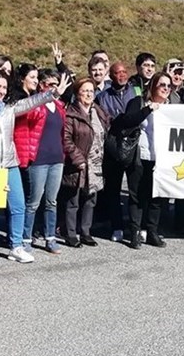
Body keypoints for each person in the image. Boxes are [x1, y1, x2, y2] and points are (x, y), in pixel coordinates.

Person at [0, 67, 67, 266]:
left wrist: (52, 94)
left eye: (5, 87)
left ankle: (16, 246)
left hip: (9, 162)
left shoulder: (9, 106)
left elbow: (30, 102)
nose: (1, 91)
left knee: (18, 205)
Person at [112, 72, 173, 249]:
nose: (166, 89)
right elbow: (128, 121)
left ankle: (152, 231)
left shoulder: (173, 106)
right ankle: (135, 232)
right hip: (140, 155)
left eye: (168, 86)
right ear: (153, 85)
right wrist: (148, 109)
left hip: (162, 158)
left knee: (156, 196)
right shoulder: (138, 102)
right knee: (136, 195)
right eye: (162, 85)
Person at [14, 69, 67, 254]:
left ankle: (50, 237)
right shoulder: (36, 105)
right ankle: (26, 238)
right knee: (34, 202)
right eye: (49, 84)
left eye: (55, 84)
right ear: (41, 85)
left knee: (51, 201)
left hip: (57, 158)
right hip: (39, 160)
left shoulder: (59, 106)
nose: (53, 88)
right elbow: (28, 119)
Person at [61, 78, 111, 247]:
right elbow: (66, 139)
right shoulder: (71, 114)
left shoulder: (99, 111)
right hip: (78, 163)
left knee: (91, 198)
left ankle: (86, 232)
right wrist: (77, 159)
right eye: (85, 91)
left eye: (91, 91)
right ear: (77, 94)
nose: (89, 94)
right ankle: (70, 233)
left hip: (96, 161)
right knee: (73, 200)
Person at [96, 61, 137, 241]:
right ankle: (117, 227)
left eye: (124, 72)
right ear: (110, 76)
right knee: (113, 189)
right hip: (113, 144)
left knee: (135, 190)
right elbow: (103, 120)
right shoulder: (102, 97)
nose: (121, 75)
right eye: (117, 73)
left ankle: (136, 227)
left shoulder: (136, 91)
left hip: (134, 143)